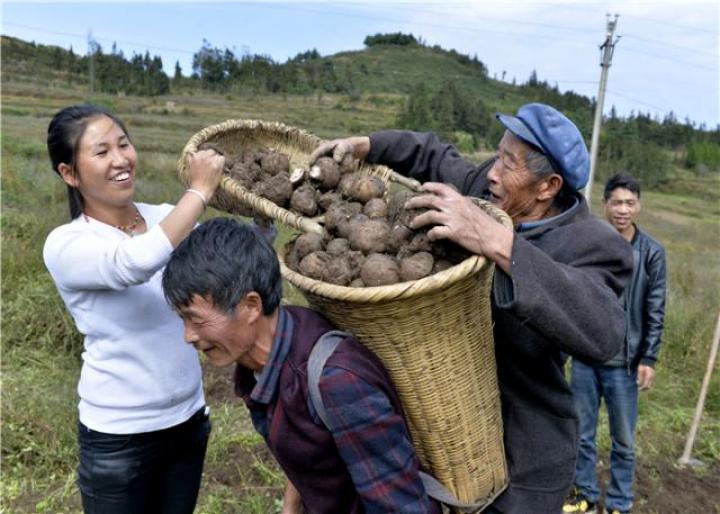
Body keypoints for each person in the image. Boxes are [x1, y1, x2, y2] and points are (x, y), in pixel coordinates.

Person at [309, 102, 634, 514]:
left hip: (520, 449)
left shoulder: (592, 243)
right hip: (439, 421)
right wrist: (368, 144)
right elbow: (433, 155)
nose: (493, 172)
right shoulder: (487, 187)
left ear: (548, 186)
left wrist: (501, 244)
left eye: (509, 163)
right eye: (498, 154)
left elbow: (604, 330)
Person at [161, 217, 441, 514]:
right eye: (183, 319)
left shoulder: (336, 382)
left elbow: (403, 507)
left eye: (198, 320)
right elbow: (308, 444)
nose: (188, 336)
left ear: (251, 306)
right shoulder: (263, 357)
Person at [43, 104, 225, 514]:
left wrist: (263, 225)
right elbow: (135, 263)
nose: (120, 159)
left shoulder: (163, 217)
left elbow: (220, 265)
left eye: (123, 144)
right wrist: (199, 192)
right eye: (102, 151)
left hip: (188, 421)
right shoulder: (68, 244)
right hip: (118, 440)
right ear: (69, 174)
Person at [562, 174, 667, 514]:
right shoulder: (589, 244)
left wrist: (648, 357)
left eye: (630, 203)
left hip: (625, 363)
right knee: (581, 434)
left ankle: (620, 503)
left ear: (639, 206)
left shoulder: (651, 253)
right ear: (605, 205)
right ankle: (587, 496)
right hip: (586, 357)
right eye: (617, 202)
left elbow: (655, 308)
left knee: (624, 441)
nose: (623, 209)